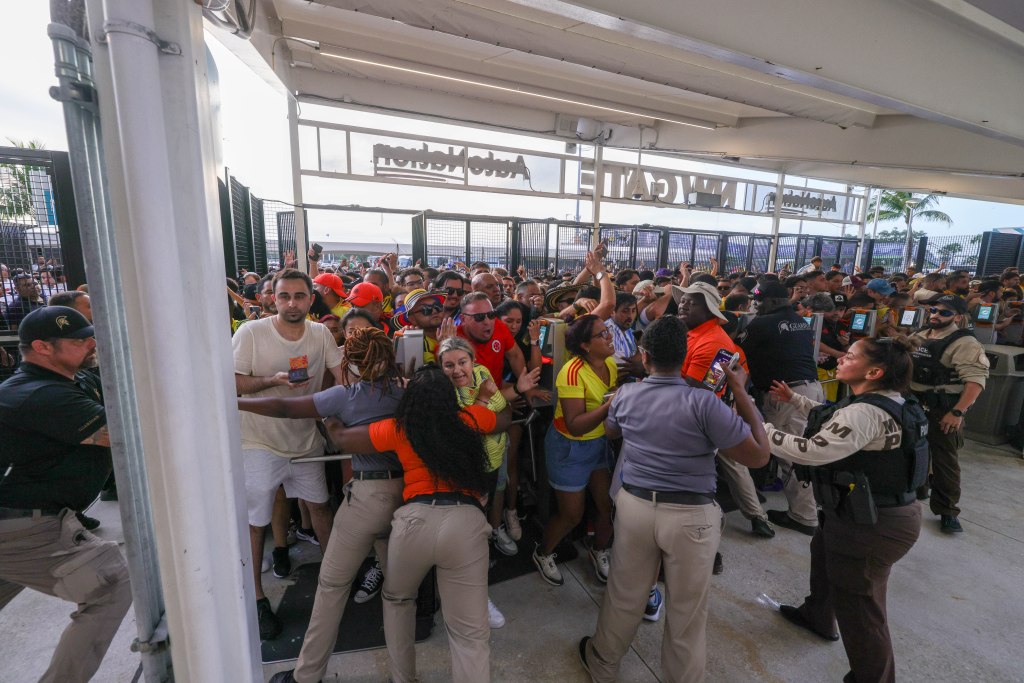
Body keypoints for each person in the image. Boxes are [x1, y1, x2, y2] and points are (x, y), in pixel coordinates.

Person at [578, 315, 769, 683]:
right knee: (687, 610)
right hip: (692, 514)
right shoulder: (704, 403)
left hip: (635, 506)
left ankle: (602, 664)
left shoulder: (627, 395)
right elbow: (759, 455)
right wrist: (740, 392)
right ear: (684, 358)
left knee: (624, 593)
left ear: (644, 355)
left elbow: (612, 430)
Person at [324, 367, 511, 683]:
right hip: (465, 523)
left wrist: (330, 414)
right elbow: (504, 419)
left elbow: (343, 439)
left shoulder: (399, 429)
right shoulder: (468, 420)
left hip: (413, 523)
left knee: (398, 600)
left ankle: (403, 678)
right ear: (449, 398)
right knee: (469, 634)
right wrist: (483, 402)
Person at [240, 328, 405, 683]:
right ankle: (404, 676)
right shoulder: (408, 391)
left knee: (331, 587)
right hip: (408, 498)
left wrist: (234, 401)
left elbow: (284, 407)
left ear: (352, 363)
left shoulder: (344, 396)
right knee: (399, 595)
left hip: (366, 498)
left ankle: (307, 676)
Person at [765, 337, 926, 683]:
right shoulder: (887, 401)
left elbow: (810, 450)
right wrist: (795, 399)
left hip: (873, 525)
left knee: (861, 608)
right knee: (823, 553)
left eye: (849, 356)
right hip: (858, 513)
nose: (838, 359)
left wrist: (761, 430)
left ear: (874, 371)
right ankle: (818, 615)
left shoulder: (865, 412)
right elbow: (836, 419)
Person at [0, 306, 132, 683]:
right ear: (42, 347)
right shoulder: (40, 395)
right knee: (110, 584)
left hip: (22, 519)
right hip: (21, 526)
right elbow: (125, 433)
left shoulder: (64, 381)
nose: (91, 343)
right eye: (79, 341)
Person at [232, 268, 345, 639]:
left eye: (299, 296)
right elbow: (231, 382)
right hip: (259, 442)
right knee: (255, 522)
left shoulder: (321, 333)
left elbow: (341, 376)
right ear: (271, 298)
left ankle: (334, 585)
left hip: (305, 439)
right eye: (284, 296)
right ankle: (257, 599)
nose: (292, 303)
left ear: (311, 299)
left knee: (320, 507)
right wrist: (272, 380)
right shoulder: (251, 333)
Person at [678, 282, 774, 539]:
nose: (683, 305)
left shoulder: (714, 343)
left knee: (715, 469)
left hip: (703, 416)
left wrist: (656, 370)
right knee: (732, 465)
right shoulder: (694, 334)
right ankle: (757, 516)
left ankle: (712, 529)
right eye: (683, 300)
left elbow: (698, 390)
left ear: (710, 310)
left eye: (691, 302)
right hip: (709, 412)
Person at [534, 314, 617, 586]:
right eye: (602, 334)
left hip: (598, 443)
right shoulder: (571, 373)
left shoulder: (610, 363)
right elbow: (576, 424)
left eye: (608, 331)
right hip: (570, 447)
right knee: (571, 515)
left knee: (607, 506)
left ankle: (599, 550)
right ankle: (543, 552)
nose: (609, 337)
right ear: (584, 345)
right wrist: (612, 405)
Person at [741, 281, 823, 536]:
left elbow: (740, 353)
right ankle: (809, 507)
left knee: (790, 454)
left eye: (759, 300)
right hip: (809, 389)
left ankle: (804, 516)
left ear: (775, 300)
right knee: (803, 449)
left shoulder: (762, 324)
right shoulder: (799, 321)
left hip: (786, 394)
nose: (756, 305)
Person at [909, 295, 989, 533]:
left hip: (944, 408)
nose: (935, 315)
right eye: (933, 310)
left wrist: (957, 412)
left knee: (944, 461)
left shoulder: (966, 343)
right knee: (912, 451)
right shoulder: (920, 335)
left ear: (958, 317)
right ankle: (918, 488)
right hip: (914, 404)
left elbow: (975, 383)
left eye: (944, 312)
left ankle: (947, 510)